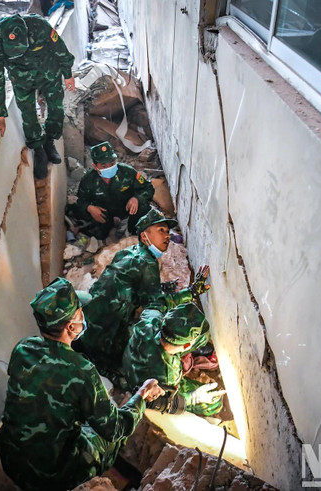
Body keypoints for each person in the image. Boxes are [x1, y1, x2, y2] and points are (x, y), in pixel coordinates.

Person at [0, 277, 165, 490]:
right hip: (50, 477)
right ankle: (101, 478)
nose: (84, 316)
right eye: (80, 313)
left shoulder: (23, 348)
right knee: (108, 439)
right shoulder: (81, 370)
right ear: (70, 326)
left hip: (12, 458)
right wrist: (142, 393)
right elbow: (115, 428)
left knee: (82, 421)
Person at [73, 208, 211, 375]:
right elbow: (155, 306)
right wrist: (191, 292)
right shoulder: (147, 263)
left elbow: (137, 290)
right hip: (105, 336)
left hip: (87, 324)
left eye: (168, 232)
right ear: (145, 235)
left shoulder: (128, 253)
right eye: (161, 231)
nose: (167, 236)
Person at [0, 13, 75, 179]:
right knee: (28, 114)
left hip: (49, 74)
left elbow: (60, 49)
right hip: (22, 80)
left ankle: (49, 141)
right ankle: (38, 149)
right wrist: (0, 115)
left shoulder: (40, 26)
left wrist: (68, 74)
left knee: (56, 108)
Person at [122, 303, 225, 417]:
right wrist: (194, 397)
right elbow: (163, 401)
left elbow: (156, 305)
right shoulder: (169, 376)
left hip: (134, 358)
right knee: (215, 403)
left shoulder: (151, 322)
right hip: (145, 380)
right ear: (187, 346)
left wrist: (186, 293)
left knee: (203, 336)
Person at [69, 141, 154, 240]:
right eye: (104, 166)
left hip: (127, 209)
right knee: (98, 234)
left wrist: (137, 198)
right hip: (105, 212)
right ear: (95, 167)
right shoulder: (89, 180)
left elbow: (148, 188)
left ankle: (132, 231)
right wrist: (89, 208)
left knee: (143, 209)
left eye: (112, 163)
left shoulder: (127, 172)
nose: (109, 168)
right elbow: (80, 201)